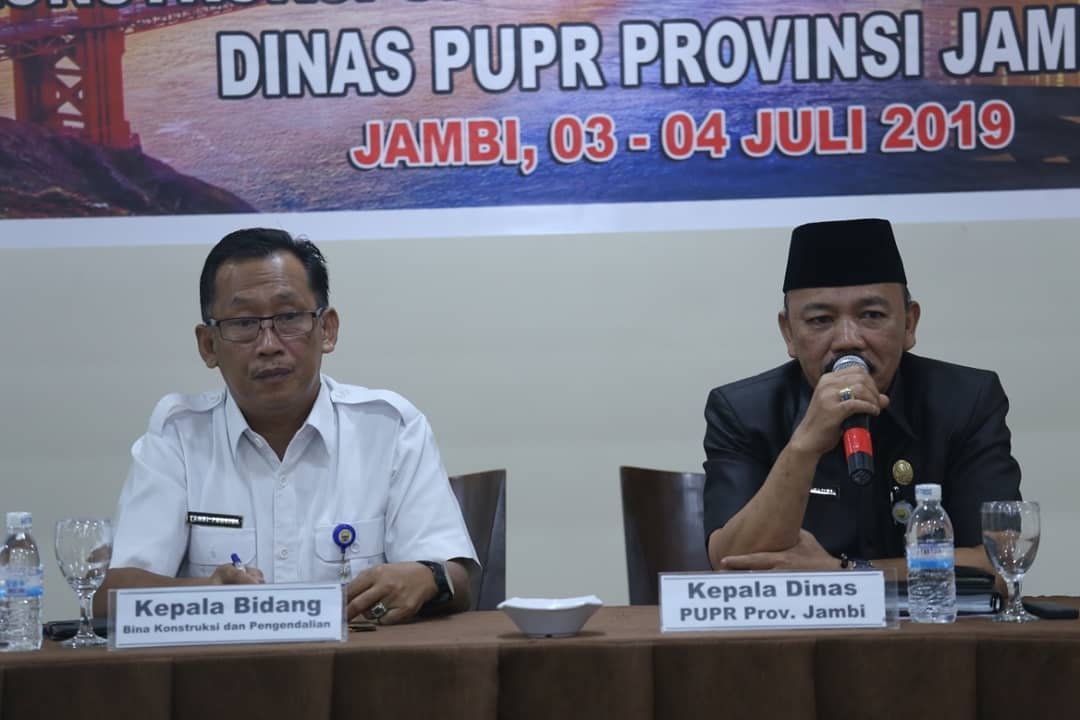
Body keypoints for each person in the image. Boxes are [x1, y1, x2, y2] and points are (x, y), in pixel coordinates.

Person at [97, 228, 477, 625]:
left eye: (289, 318)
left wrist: (428, 577)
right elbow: (109, 597)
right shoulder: (179, 436)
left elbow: (457, 579)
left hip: (360, 660)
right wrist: (207, 594)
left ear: (327, 329)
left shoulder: (388, 427)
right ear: (208, 345)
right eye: (244, 323)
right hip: (225, 662)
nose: (269, 345)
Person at [703, 218, 1021, 576]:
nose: (848, 340)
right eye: (820, 320)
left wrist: (847, 572)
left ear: (909, 324)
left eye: (871, 315)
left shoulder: (967, 400)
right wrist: (804, 446)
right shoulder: (743, 411)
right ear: (789, 333)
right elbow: (731, 564)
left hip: (928, 612)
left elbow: (1001, 562)